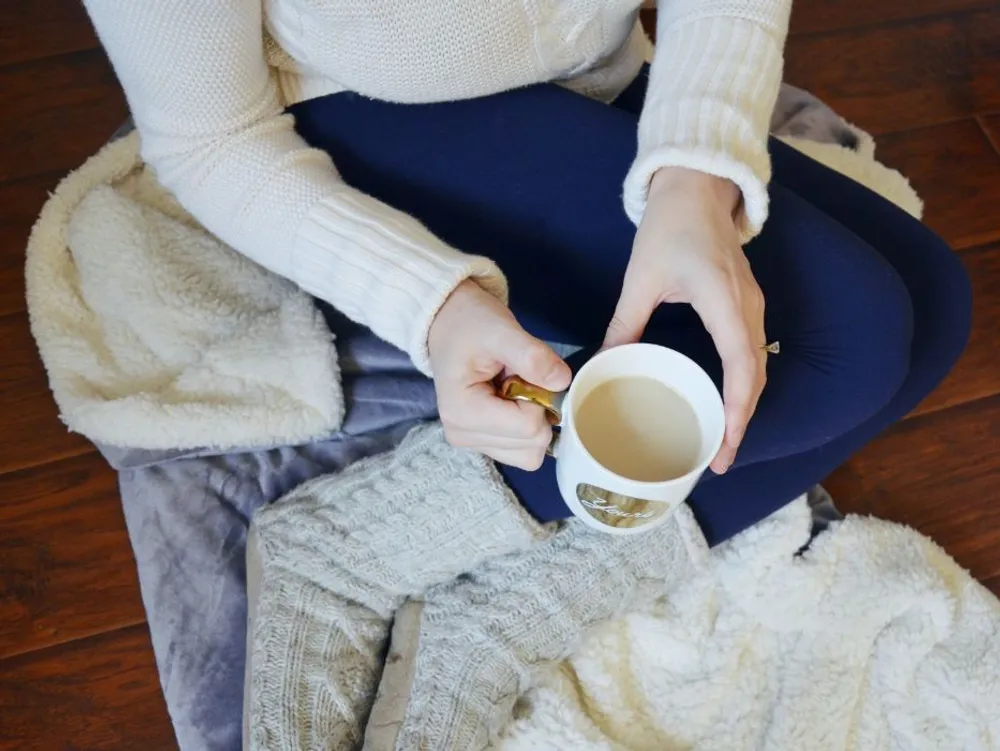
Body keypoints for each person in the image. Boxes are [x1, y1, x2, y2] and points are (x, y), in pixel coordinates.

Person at [83, 1, 972, 748]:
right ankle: (350, 546)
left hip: (595, 77)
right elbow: (207, 136)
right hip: (350, 103)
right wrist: (433, 305)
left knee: (934, 301)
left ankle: (508, 613)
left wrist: (696, 173)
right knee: (855, 340)